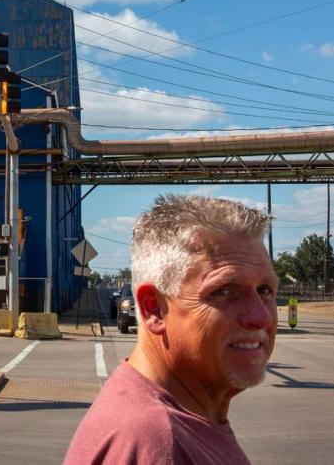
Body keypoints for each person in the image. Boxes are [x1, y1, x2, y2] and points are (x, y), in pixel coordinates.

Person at [63, 195, 278, 464]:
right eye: (223, 291)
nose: (261, 317)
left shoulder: (173, 419)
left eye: (265, 290)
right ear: (153, 308)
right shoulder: (160, 443)